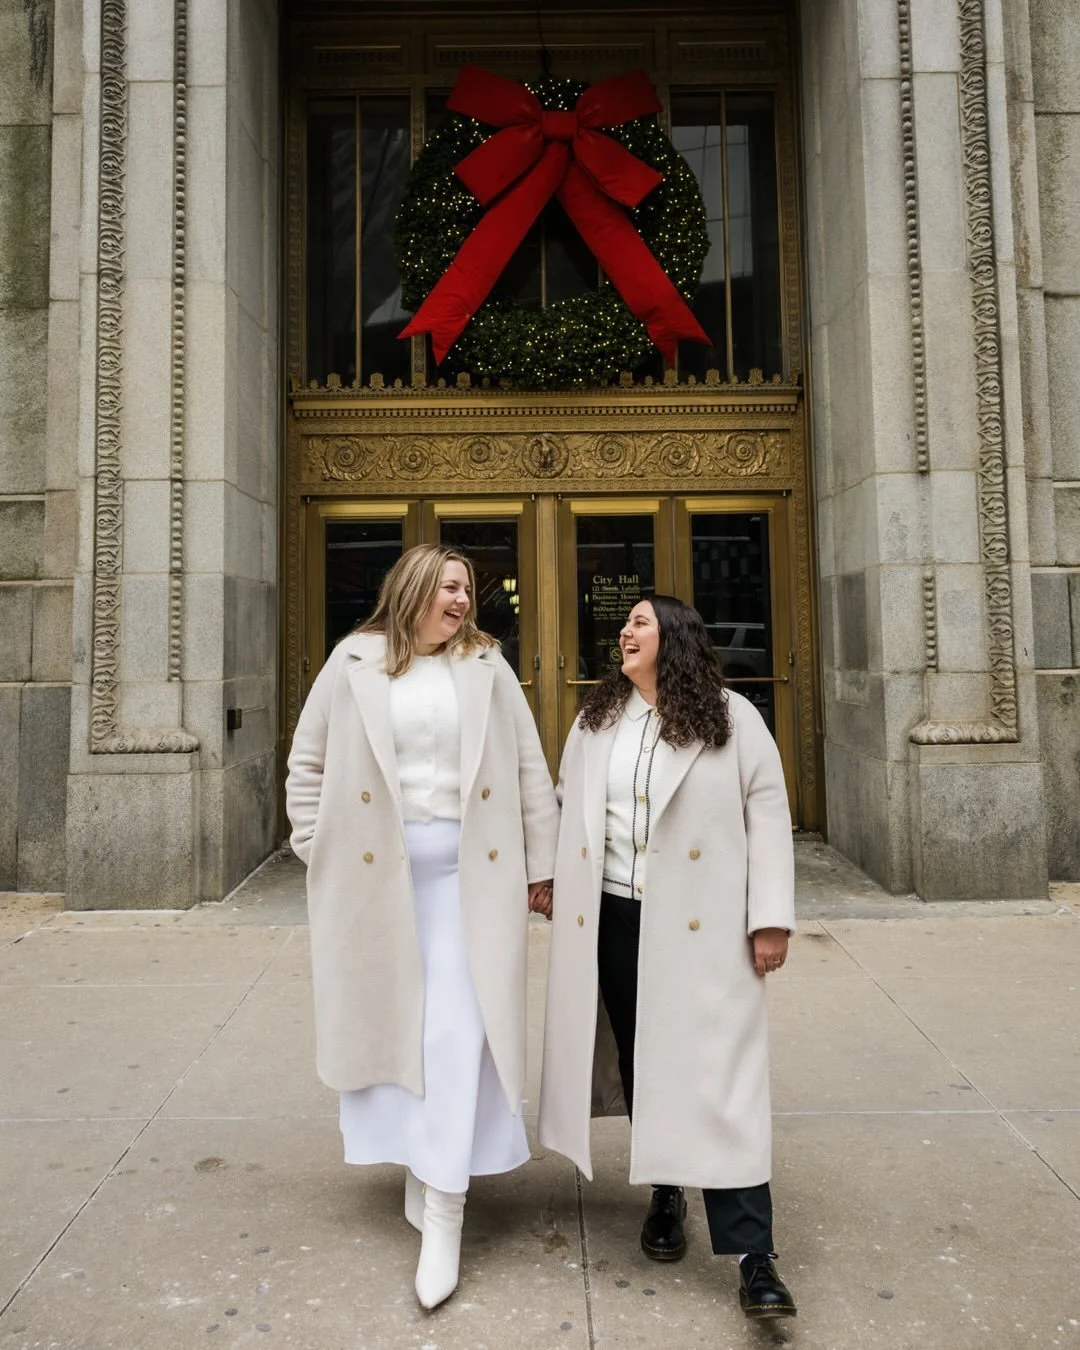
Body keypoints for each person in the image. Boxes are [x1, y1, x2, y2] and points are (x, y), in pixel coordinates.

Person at [286, 544, 557, 1310]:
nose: (463, 599)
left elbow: (529, 768)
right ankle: (424, 1164)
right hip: (379, 884)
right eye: (449, 586)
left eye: (468, 587)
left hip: (475, 879)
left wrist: (541, 866)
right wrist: (318, 849)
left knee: (456, 1033)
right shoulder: (353, 662)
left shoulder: (489, 666)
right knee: (403, 1028)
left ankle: (445, 1213)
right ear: (410, 592)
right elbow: (307, 766)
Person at [538, 594, 797, 1319]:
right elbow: (567, 807)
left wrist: (769, 919)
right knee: (644, 1062)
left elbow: (769, 815)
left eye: (641, 622)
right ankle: (666, 1191)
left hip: (706, 927)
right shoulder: (597, 721)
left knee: (721, 1079)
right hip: (615, 918)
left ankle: (755, 1256)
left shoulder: (732, 718)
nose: (626, 631)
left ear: (675, 637)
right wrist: (555, 881)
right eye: (625, 624)